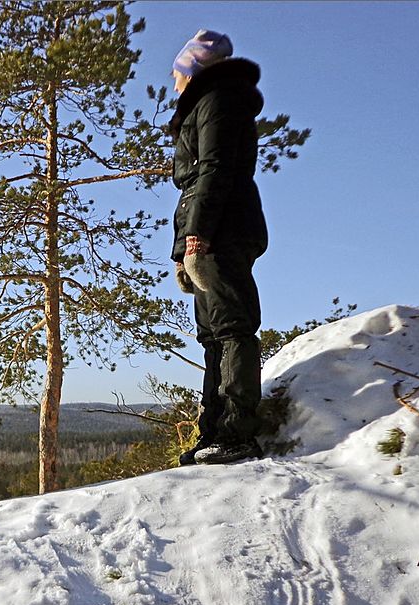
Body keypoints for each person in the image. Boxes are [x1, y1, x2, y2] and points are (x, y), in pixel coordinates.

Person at [167, 30, 267, 465]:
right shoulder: (208, 104)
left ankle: (237, 433)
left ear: (194, 70)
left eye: (178, 73)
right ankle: (213, 431)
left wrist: (197, 237)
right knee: (211, 334)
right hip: (209, 230)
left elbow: (215, 172)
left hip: (223, 232)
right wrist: (180, 251)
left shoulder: (219, 100)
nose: (174, 83)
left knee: (231, 326)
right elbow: (195, 186)